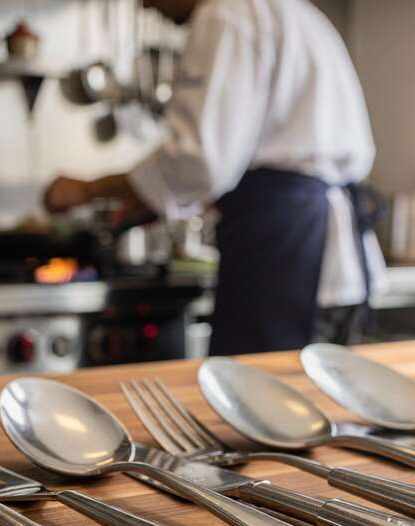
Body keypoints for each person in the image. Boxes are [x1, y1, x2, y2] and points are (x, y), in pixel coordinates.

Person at [44, 0, 386, 356]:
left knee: (255, 387)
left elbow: (199, 162)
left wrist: (87, 189)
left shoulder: (225, 13)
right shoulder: (289, 12)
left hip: (284, 252)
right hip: (333, 263)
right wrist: (150, 199)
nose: (146, 5)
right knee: (297, 388)